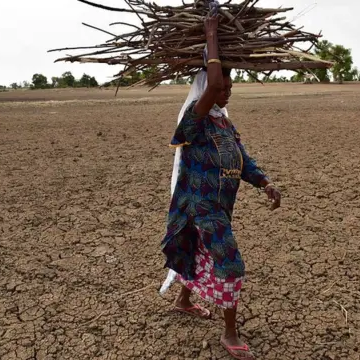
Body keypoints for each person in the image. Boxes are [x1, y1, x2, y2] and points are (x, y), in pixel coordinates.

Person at [160, 13, 282, 360]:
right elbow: (212, 84)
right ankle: (230, 334)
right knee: (231, 265)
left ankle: (184, 301)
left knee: (195, 253)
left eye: (230, 87)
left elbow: (241, 159)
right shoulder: (193, 123)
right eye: (221, 86)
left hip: (218, 209)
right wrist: (211, 34)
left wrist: (265, 183)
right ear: (205, 88)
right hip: (201, 208)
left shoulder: (223, 124)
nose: (226, 91)